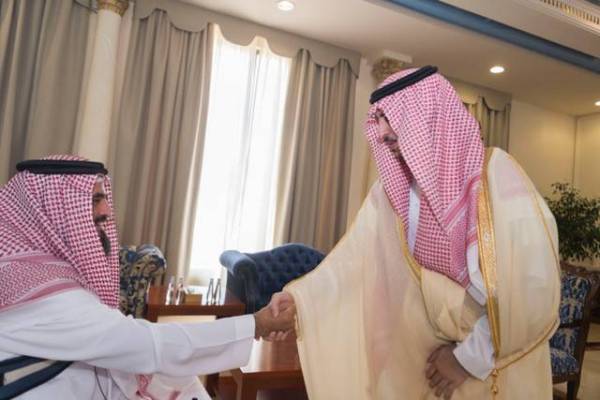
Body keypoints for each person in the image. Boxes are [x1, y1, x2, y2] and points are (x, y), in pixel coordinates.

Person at [267, 66, 561, 399]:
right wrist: (299, 299)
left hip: (495, 366)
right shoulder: (394, 192)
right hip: (430, 360)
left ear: (430, 115)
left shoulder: (498, 178)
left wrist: (466, 359)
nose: (383, 133)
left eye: (392, 117)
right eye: (379, 119)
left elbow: (534, 289)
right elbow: (353, 261)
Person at [0, 155, 294, 399]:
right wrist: (257, 323)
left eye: (104, 198)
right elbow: (144, 344)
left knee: (178, 380)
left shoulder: (29, 267)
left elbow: (120, 337)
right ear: (52, 212)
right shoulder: (41, 292)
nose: (106, 211)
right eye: (94, 199)